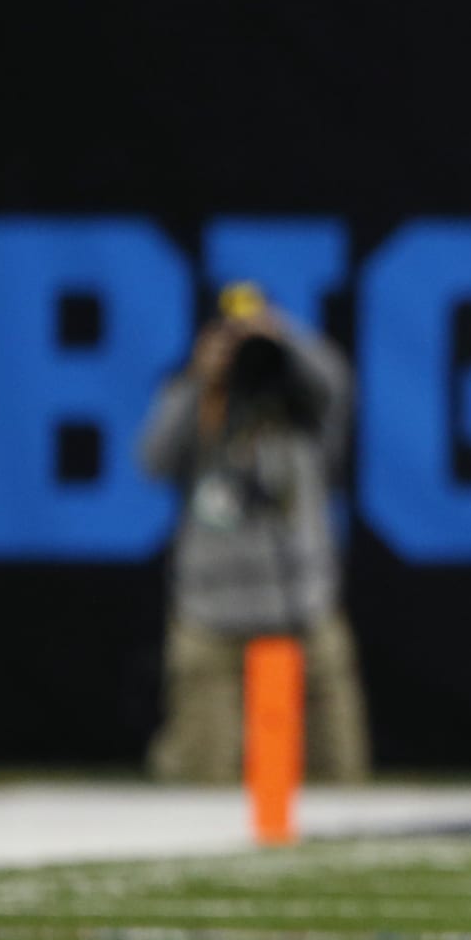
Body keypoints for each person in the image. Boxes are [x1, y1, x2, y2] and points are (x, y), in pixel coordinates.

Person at [139, 282, 371, 785]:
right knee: (200, 779)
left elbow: (336, 384)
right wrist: (201, 380)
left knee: (340, 779)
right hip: (211, 616)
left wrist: (281, 340)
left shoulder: (301, 409)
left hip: (302, 608)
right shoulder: (199, 404)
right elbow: (152, 459)